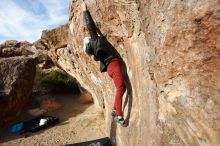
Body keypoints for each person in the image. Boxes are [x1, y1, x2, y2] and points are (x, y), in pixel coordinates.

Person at [81, 0, 127, 127]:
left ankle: (113, 109)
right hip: (113, 65)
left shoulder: (94, 51)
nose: (90, 37)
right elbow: (90, 26)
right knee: (120, 89)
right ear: (90, 42)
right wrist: (85, 11)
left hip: (111, 68)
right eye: (89, 38)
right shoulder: (95, 42)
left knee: (122, 88)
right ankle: (119, 115)